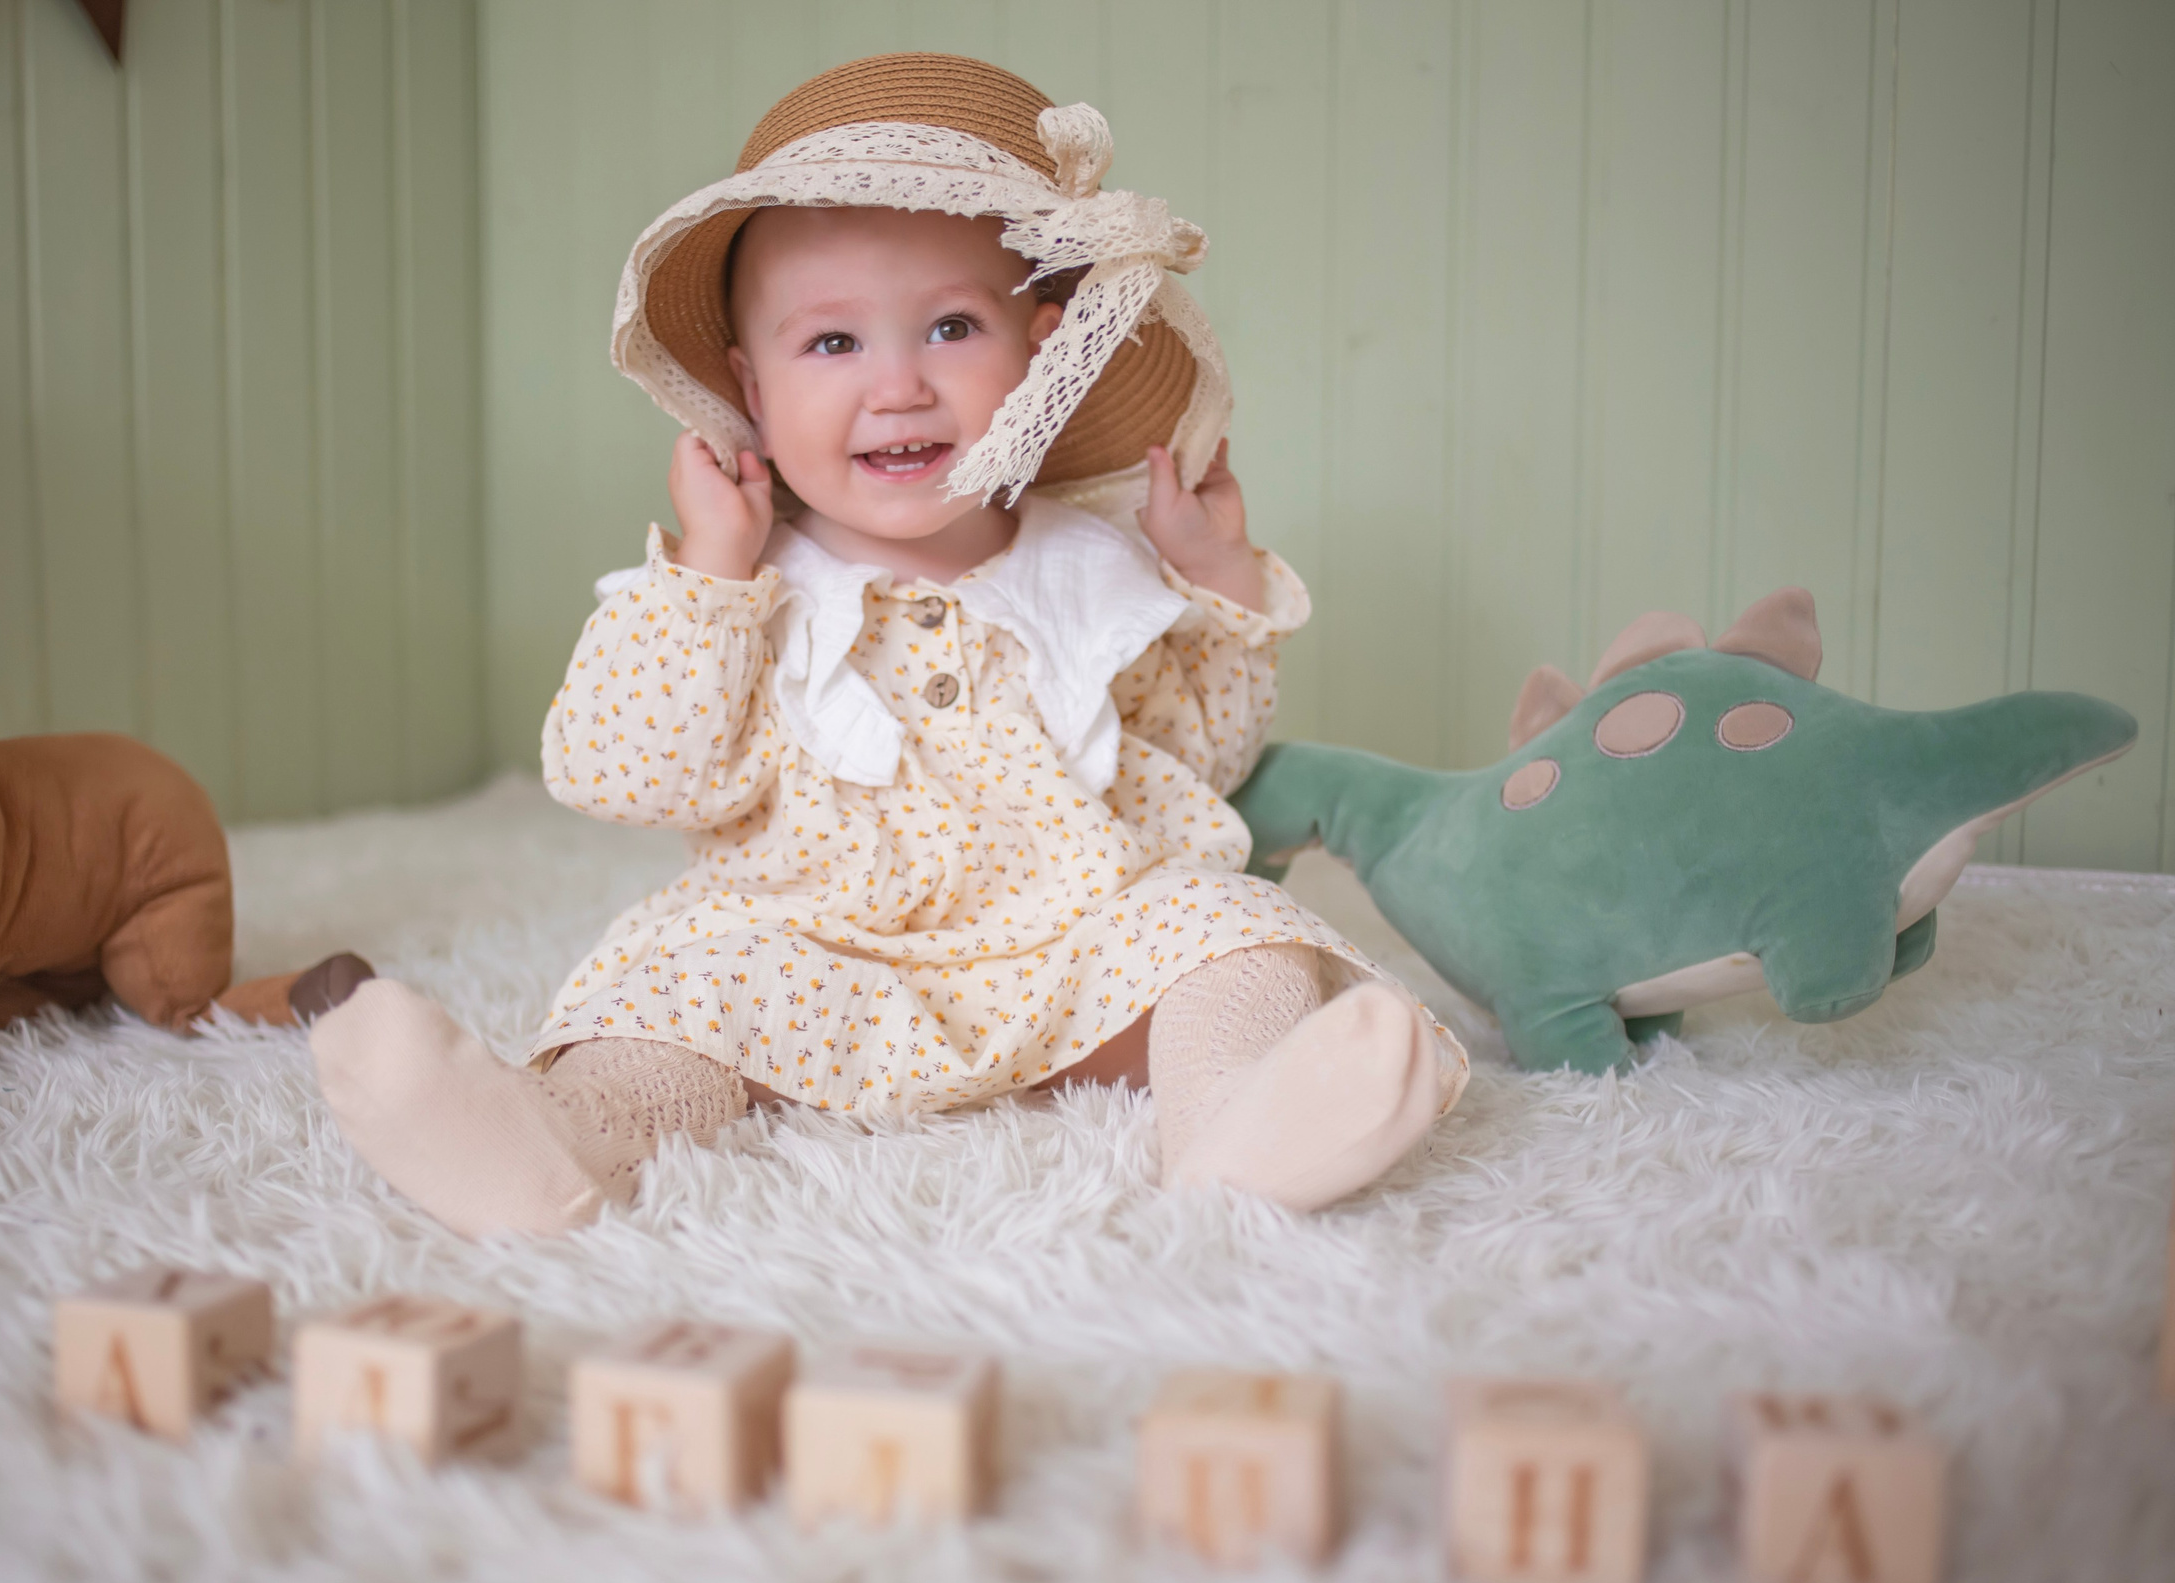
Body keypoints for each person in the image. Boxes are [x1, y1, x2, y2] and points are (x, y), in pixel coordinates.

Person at [310, 53, 1467, 1238]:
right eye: (831, 345)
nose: (899, 386)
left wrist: (1213, 577)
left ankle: (1238, 1120)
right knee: (675, 991)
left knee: (1231, 928)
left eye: (952, 327)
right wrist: (710, 571)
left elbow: (1194, 757)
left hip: (1066, 953)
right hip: (819, 951)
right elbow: (622, 771)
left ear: (1044, 356)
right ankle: (554, 1140)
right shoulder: (745, 583)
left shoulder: (1087, 566)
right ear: (745, 387)